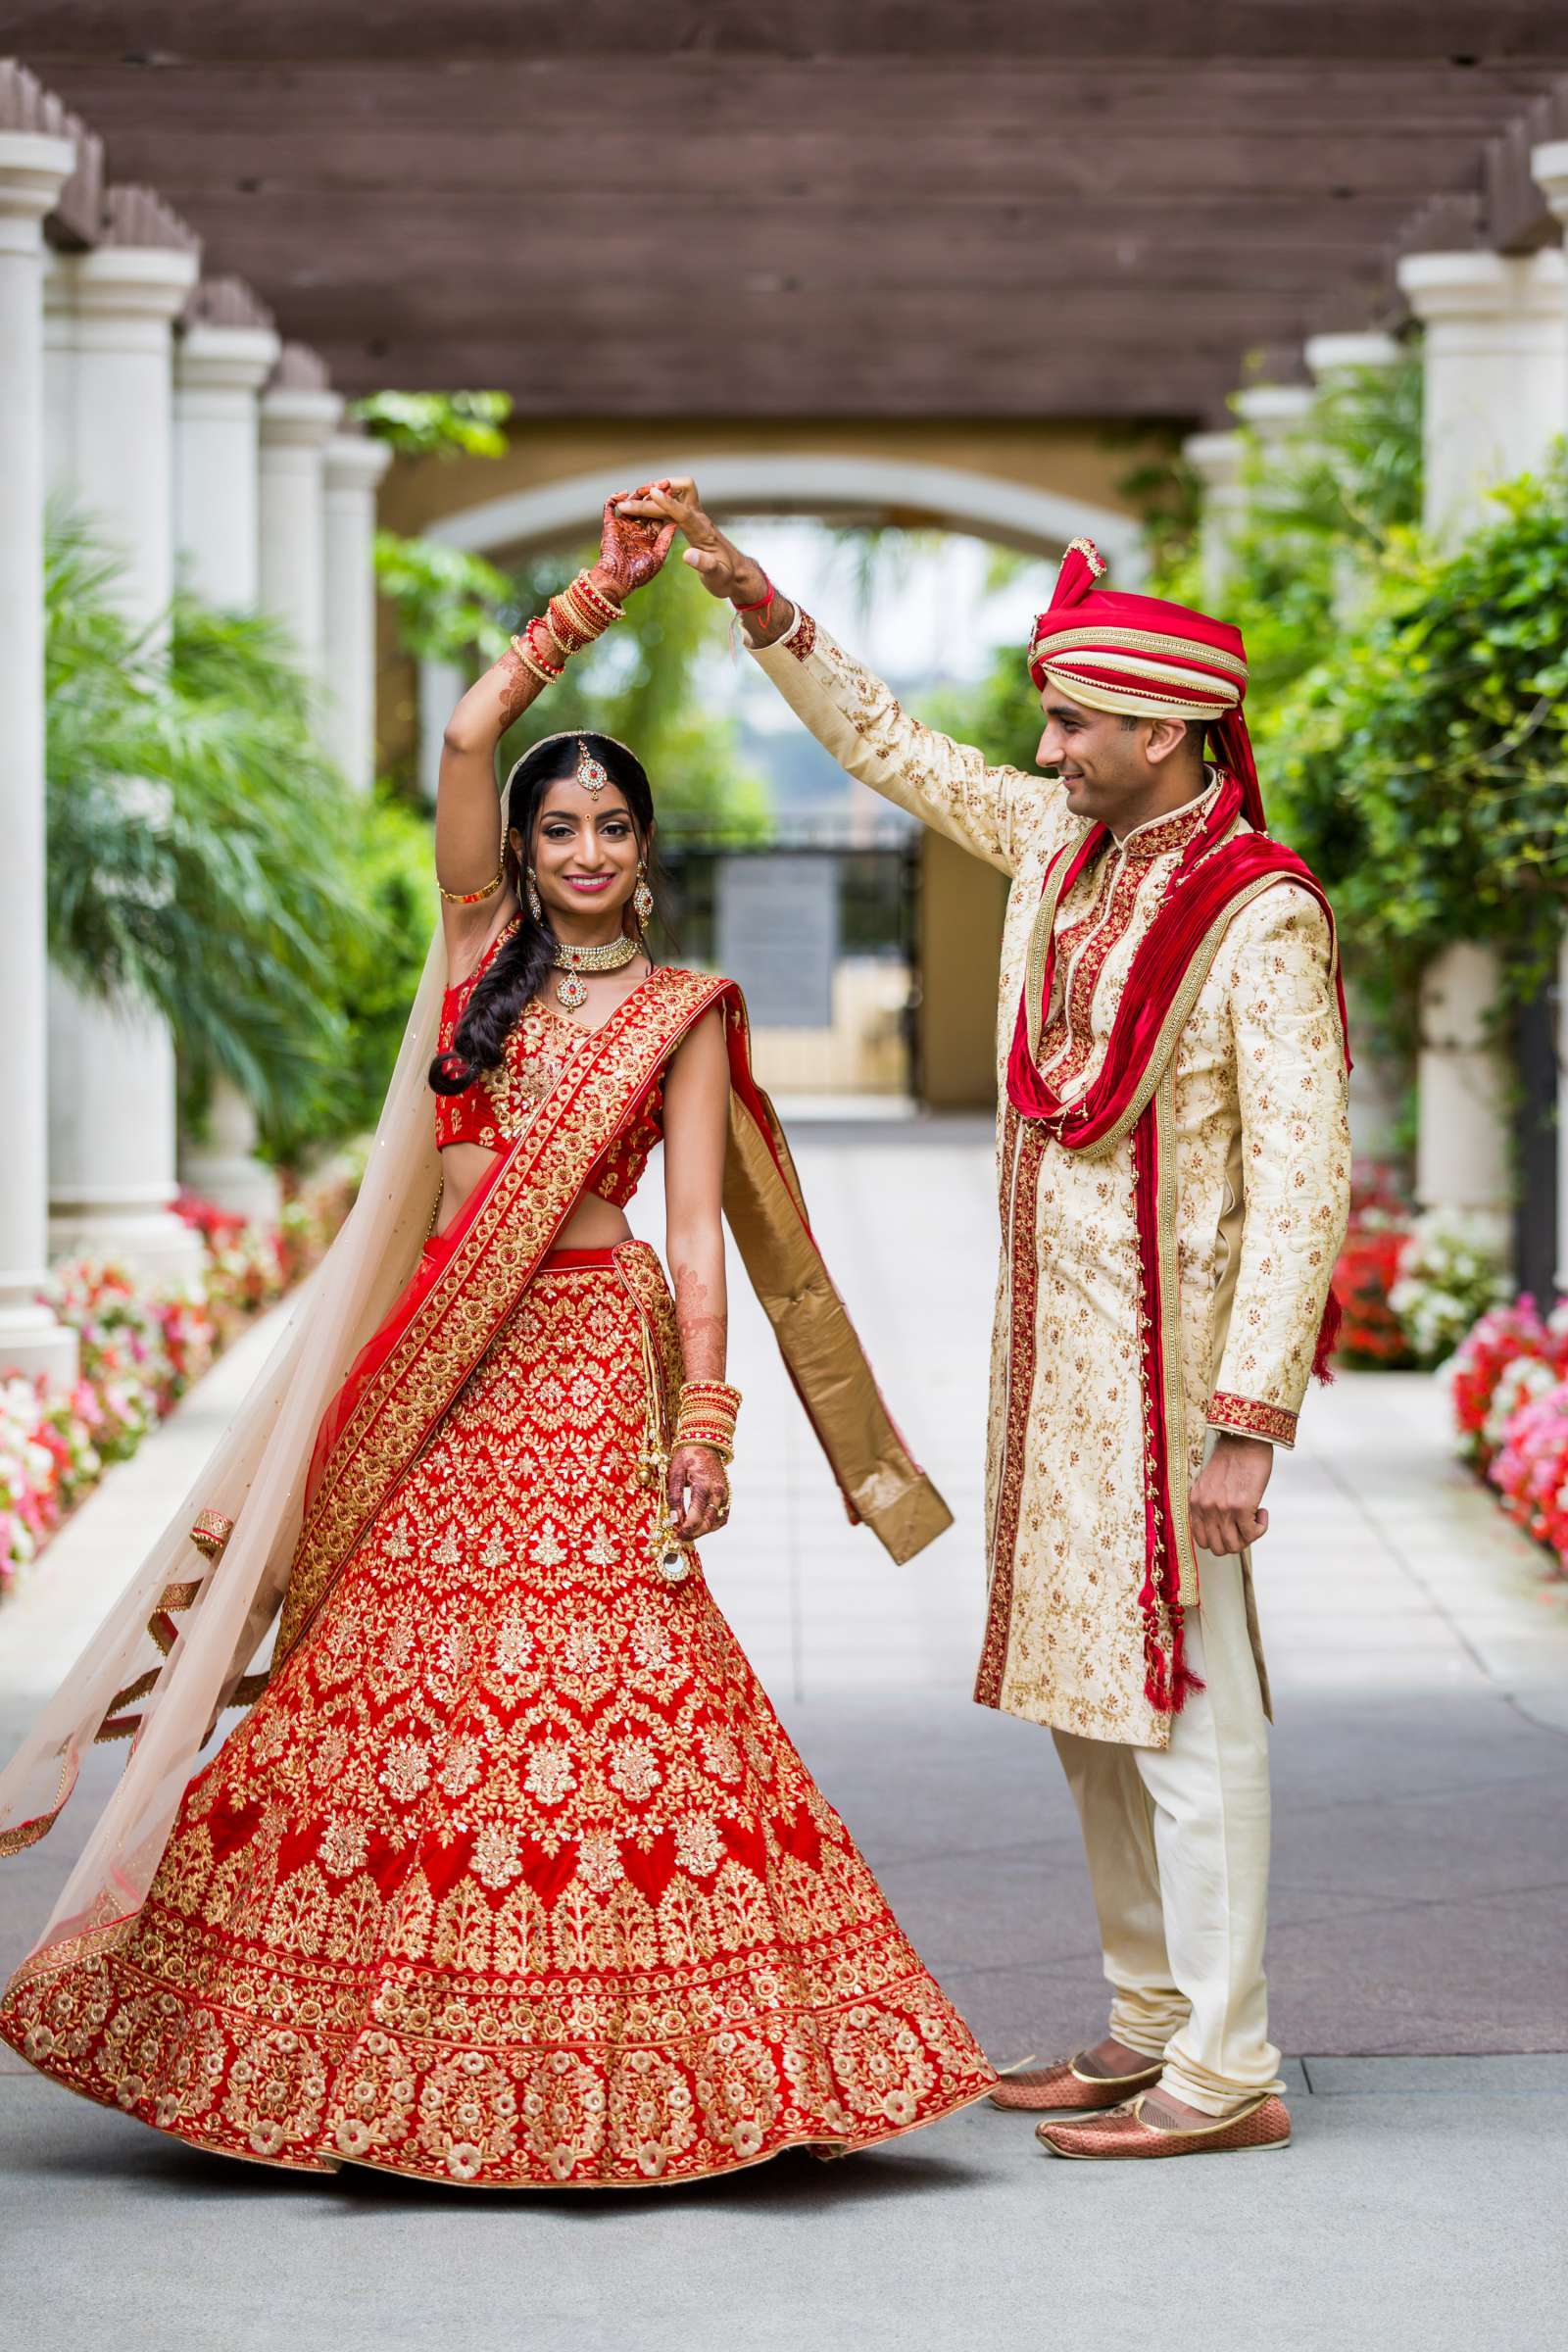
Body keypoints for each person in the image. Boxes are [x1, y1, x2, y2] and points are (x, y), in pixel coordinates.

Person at [0, 494, 995, 2187]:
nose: (589, 850)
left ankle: (696, 2059)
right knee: (395, 1665)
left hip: (593, 1356)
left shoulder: (682, 1012)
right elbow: (469, 730)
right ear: (521, 852)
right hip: (449, 1360)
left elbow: (695, 1236)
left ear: (645, 846)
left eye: (613, 824)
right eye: (563, 827)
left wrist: (703, 1424)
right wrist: (594, 596)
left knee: (614, 1678)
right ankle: (343, 2058)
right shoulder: (476, 957)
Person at [615, 481, 1351, 2161]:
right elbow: (892, 749)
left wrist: (1252, 1419)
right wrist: (755, 600)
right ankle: (1150, 2020)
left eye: (1079, 719)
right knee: (1092, 1700)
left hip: (1178, 1381)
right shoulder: (1060, 849)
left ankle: (1228, 2070)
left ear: (1168, 734)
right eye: (1054, 715)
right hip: (1057, 1368)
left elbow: (1305, 1179)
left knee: (1189, 1696)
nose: (1052, 741)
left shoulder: (1260, 913)